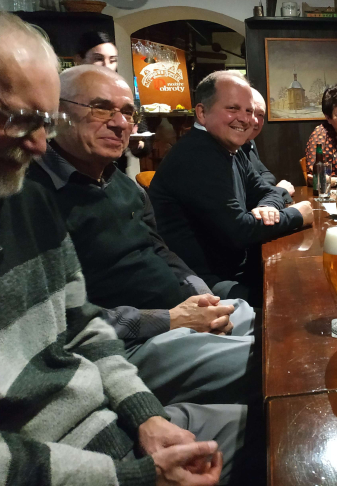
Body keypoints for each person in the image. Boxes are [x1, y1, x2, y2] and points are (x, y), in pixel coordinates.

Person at [0, 8, 242, 486]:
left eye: (45, 121)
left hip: (114, 411)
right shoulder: (43, 190)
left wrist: (145, 415)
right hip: (81, 461)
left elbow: (84, 327)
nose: (39, 145)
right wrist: (133, 475)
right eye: (20, 119)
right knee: (270, 374)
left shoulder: (27, 199)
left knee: (276, 403)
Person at [27, 64, 258, 407]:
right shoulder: (30, 198)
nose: (120, 123)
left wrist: (202, 296)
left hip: (183, 314)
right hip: (126, 347)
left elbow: (160, 250)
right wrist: (174, 319)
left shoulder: (121, 183)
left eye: (127, 112)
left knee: (280, 325)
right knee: (270, 362)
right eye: (101, 108)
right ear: (56, 113)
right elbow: (63, 320)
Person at [150, 70, 314, 298]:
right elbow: (239, 231)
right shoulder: (197, 155)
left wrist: (267, 207)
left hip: (233, 269)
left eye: (249, 111)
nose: (246, 119)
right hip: (202, 286)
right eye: (233, 108)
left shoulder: (231, 150)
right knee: (296, 296)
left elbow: (267, 191)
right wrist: (298, 215)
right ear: (202, 113)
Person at [74, 30, 151, 172]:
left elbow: (145, 146)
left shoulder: (125, 95)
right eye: (98, 58)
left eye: (112, 60)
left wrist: (137, 144)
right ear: (79, 59)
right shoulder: (68, 93)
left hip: (114, 173)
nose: (106, 65)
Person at [243, 88, 295, 204]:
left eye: (260, 115)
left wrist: (264, 190)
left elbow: (267, 175)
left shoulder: (249, 142)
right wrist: (279, 190)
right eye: (249, 111)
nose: (256, 121)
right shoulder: (225, 147)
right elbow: (247, 197)